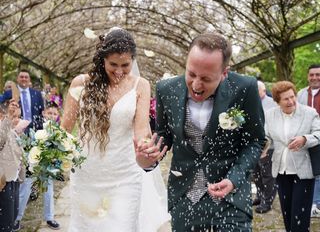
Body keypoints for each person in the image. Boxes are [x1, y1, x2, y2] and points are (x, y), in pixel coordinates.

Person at [135, 32, 266, 231]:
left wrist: (234, 178)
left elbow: (255, 141)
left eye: (206, 78)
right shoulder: (165, 89)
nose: (196, 85)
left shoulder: (245, 88)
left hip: (231, 201)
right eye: (191, 74)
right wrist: (148, 159)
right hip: (184, 199)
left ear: (224, 73)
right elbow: (165, 134)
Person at [61, 28, 170, 232]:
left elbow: (140, 131)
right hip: (87, 173)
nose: (119, 71)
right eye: (113, 64)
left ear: (133, 61)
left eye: (125, 65)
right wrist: (49, 151)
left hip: (125, 175)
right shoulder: (81, 83)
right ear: (102, 59)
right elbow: (65, 129)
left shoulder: (141, 86)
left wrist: (147, 149)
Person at [265, 81, 320, 232]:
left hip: (303, 171)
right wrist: (263, 145)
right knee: (287, 212)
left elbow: (318, 134)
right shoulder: (270, 115)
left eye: (292, 97)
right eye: (285, 99)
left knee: (300, 214)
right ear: (277, 101)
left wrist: (304, 139)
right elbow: (267, 136)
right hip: (281, 170)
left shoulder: (309, 113)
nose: (291, 101)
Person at [13, 69, 46, 231]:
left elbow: (41, 114)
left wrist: (41, 136)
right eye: (21, 76)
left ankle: (30, 191)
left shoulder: (36, 94)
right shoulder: (9, 94)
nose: (24, 79)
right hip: (15, 137)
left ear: (29, 79)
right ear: (17, 79)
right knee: (18, 170)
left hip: (34, 136)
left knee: (32, 167)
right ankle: (14, 205)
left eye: (26, 77)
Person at [297, 64, 320, 217]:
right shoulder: (301, 94)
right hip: (305, 138)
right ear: (307, 76)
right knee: (308, 170)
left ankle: (315, 203)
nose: (314, 78)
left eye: (318, 75)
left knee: (319, 172)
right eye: (312, 75)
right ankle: (309, 201)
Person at [0, 91, 25, 232]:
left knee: (13, 216)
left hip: (14, 179)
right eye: (14, 116)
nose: (17, 119)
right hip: (3, 180)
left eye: (18, 116)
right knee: (5, 222)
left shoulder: (13, 129)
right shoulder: (3, 125)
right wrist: (8, 119)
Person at [252, 81, 278, 213]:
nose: (255, 93)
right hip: (252, 144)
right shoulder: (249, 102)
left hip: (268, 145)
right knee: (256, 174)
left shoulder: (272, 103)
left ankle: (267, 202)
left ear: (263, 90)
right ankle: (260, 196)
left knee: (267, 175)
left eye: (257, 90)